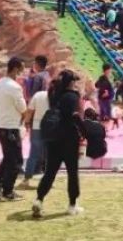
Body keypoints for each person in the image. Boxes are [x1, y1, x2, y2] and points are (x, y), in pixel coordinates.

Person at [32, 70, 86, 218]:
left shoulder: (54, 95)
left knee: (50, 172)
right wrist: (85, 133)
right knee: (72, 173)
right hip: (69, 139)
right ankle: (72, 205)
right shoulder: (73, 96)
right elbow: (76, 116)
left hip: (53, 138)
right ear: (71, 82)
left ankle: (39, 199)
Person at [0, 57, 27, 201]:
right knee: (16, 160)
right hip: (10, 127)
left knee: (9, 158)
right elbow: (23, 109)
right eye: (21, 69)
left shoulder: (1, 82)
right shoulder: (15, 87)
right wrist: (27, 120)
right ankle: (8, 191)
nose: (23, 72)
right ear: (16, 69)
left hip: (0, 126)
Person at [22, 82, 49, 186]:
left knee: (33, 153)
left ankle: (27, 179)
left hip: (37, 126)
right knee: (50, 155)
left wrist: (27, 123)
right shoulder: (58, 96)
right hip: (51, 128)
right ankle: (47, 179)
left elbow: (29, 111)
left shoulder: (38, 95)